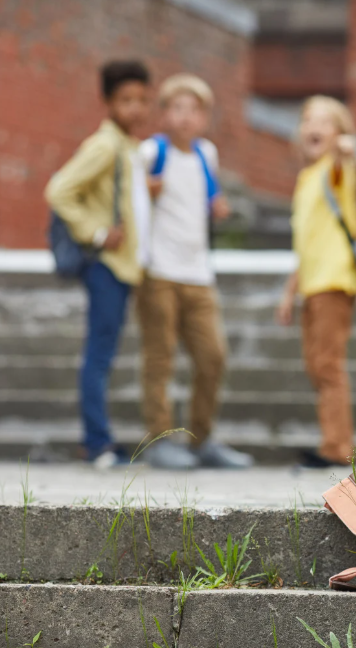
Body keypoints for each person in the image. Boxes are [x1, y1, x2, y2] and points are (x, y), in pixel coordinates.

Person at [134, 74, 252, 469]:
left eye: (194, 110)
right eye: (177, 108)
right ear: (164, 113)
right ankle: (160, 439)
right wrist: (144, 194)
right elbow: (131, 204)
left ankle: (202, 439)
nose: (185, 117)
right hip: (159, 272)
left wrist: (217, 206)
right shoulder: (151, 152)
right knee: (160, 358)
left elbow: (206, 195)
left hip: (199, 273)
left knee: (213, 356)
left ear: (204, 118)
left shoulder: (207, 153)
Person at [45, 60, 150, 468]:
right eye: (126, 100)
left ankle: (99, 439)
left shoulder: (129, 146)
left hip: (124, 267)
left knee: (103, 351)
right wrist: (97, 232)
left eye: (142, 99)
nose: (136, 108)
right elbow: (59, 190)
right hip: (105, 266)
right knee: (99, 354)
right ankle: (97, 442)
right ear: (107, 102)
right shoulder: (105, 145)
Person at [276, 96, 356, 469]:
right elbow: (306, 241)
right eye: (308, 119)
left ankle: (336, 447)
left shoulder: (335, 170)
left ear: (339, 132)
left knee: (328, 365)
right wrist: (289, 291)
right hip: (312, 283)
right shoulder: (306, 177)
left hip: (334, 280)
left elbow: (347, 164)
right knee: (317, 365)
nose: (313, 127)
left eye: (325, 122)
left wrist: (346, 150)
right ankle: (333, 441)